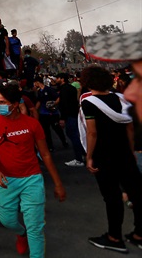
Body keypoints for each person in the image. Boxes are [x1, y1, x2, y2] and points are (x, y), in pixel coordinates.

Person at [0, 85, 66, 258]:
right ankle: (21, 234)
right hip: (5, 180)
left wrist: (58, 184)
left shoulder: (32, 124)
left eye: (2, 102)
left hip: (31, 180)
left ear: (15, 104)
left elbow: (45, 154)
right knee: (6, 220)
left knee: (35, 227)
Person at [78, 66, 142, 253]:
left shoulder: (89, 102)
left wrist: (89, 157)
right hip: (125, 154)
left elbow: (92, 132)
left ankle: (114, 237)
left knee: (112, 197)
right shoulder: (121, 100)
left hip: (104, 157)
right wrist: (129, 151)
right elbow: (130, 129)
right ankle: (139, 233)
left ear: (88, 82)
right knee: (137, 193)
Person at [56, 73, 85, 167]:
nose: (56, 80)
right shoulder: (71, 88)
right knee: (76, 135)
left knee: (73, 136)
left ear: (62, 79)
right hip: (74, 114)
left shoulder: (64, 89)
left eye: (57, 78)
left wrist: (62, 118)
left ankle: (79, 158)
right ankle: (83, 155)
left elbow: (64, 104)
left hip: (69, 115)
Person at [33, 77, 68, 151]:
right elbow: (39, 101)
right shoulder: (39, 91)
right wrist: (35, 110)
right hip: (43, 114)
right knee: (46, 131)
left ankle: (64, 142)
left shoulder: (49, 90)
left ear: (37, 82)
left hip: (52, 113)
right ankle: (50, 146)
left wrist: (54, 104)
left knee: (57, 129)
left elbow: (58, 98)